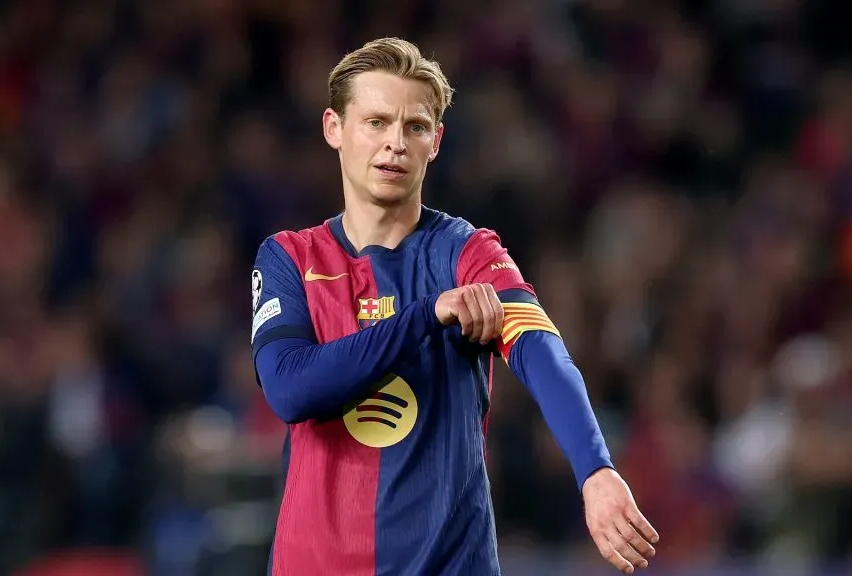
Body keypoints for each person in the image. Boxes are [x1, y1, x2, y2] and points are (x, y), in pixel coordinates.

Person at [250, 37, 658, 575]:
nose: (395, 142)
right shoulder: (290, 258)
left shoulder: (469, 254)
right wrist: (425, 315)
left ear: (436, 141)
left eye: (414, 126)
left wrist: (595, 470)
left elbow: (542, 354)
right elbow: (290, 389)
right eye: (376, 122)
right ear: (334, 128)